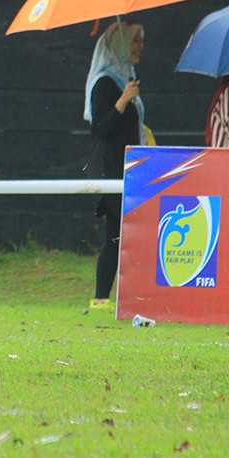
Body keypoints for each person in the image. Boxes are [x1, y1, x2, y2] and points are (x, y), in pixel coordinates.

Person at [83, 20, 146, 309]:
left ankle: (127, 296)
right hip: (111, 167)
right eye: (133, 40)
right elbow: (100, 128)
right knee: (114, 233)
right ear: (119, 44)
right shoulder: (105, 83)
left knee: (125, 233)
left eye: (140, 41)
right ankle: (100, 297)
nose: (139, 47)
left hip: (131, 165)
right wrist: (123, 100)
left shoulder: (127, 77)